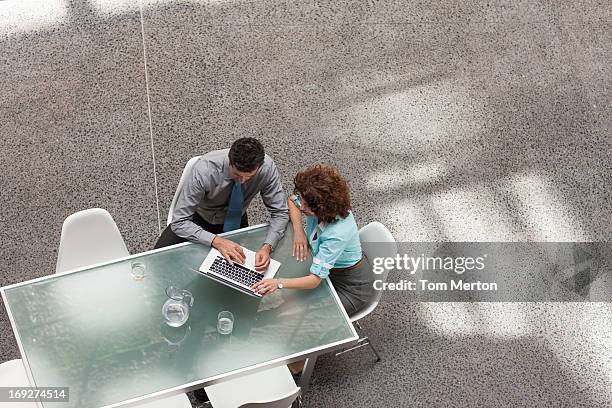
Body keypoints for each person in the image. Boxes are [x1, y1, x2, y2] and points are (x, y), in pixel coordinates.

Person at [252, 164, 374, 315]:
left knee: (307, 317)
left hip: (351, 287)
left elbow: (314, 279)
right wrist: (299, 232)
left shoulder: (337, 234)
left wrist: (279, 283)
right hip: (328, 269)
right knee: (289, 305)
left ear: (321, 208)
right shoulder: (319, 208)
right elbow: (292, 201)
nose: (301, 206)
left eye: (305, 205)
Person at [154, 137, 289, 271]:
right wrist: (217, 241)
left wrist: (267, 247)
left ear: (259, 167)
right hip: (199, 218)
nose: (242, 181)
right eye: (237, 174)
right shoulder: (204, 169)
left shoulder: (267, 168)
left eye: (248, 177)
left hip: (236, 220)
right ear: (230, 159)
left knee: (240, 272)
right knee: (157, 262)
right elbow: (179, 222)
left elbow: (280, 212)